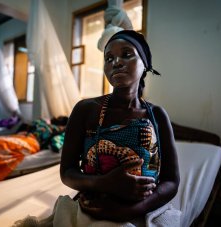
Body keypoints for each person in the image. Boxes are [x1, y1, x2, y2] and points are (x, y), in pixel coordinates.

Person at [60, 30, 180, 224]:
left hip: (142, 209)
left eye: (126, 54)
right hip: (93, 206)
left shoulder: (157, 115)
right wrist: (104, 184)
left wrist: (131, 210)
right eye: (109, 58)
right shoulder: (86, 110)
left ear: (145, 65)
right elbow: (67, 172)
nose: (116, 62)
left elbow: (172, 182)